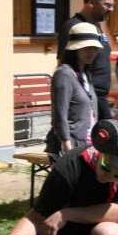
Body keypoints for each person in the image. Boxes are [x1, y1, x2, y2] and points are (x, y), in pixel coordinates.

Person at [58, 0, 115, 121]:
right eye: (107, 5)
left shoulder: (96, 26)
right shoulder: (73, 27)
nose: (111, 9)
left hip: (99, 99)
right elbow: (63, 63)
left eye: (112, 5)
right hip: (85, 100)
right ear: (92, 2)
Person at [46, 23, 102, 163]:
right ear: (75, 48)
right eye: (86, 47)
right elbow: (60, 115)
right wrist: (67, 148)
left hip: (87, 144)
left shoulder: (85, 73)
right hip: (70, 145)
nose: (91, 52)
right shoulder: (64, 74)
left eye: (94, 48)